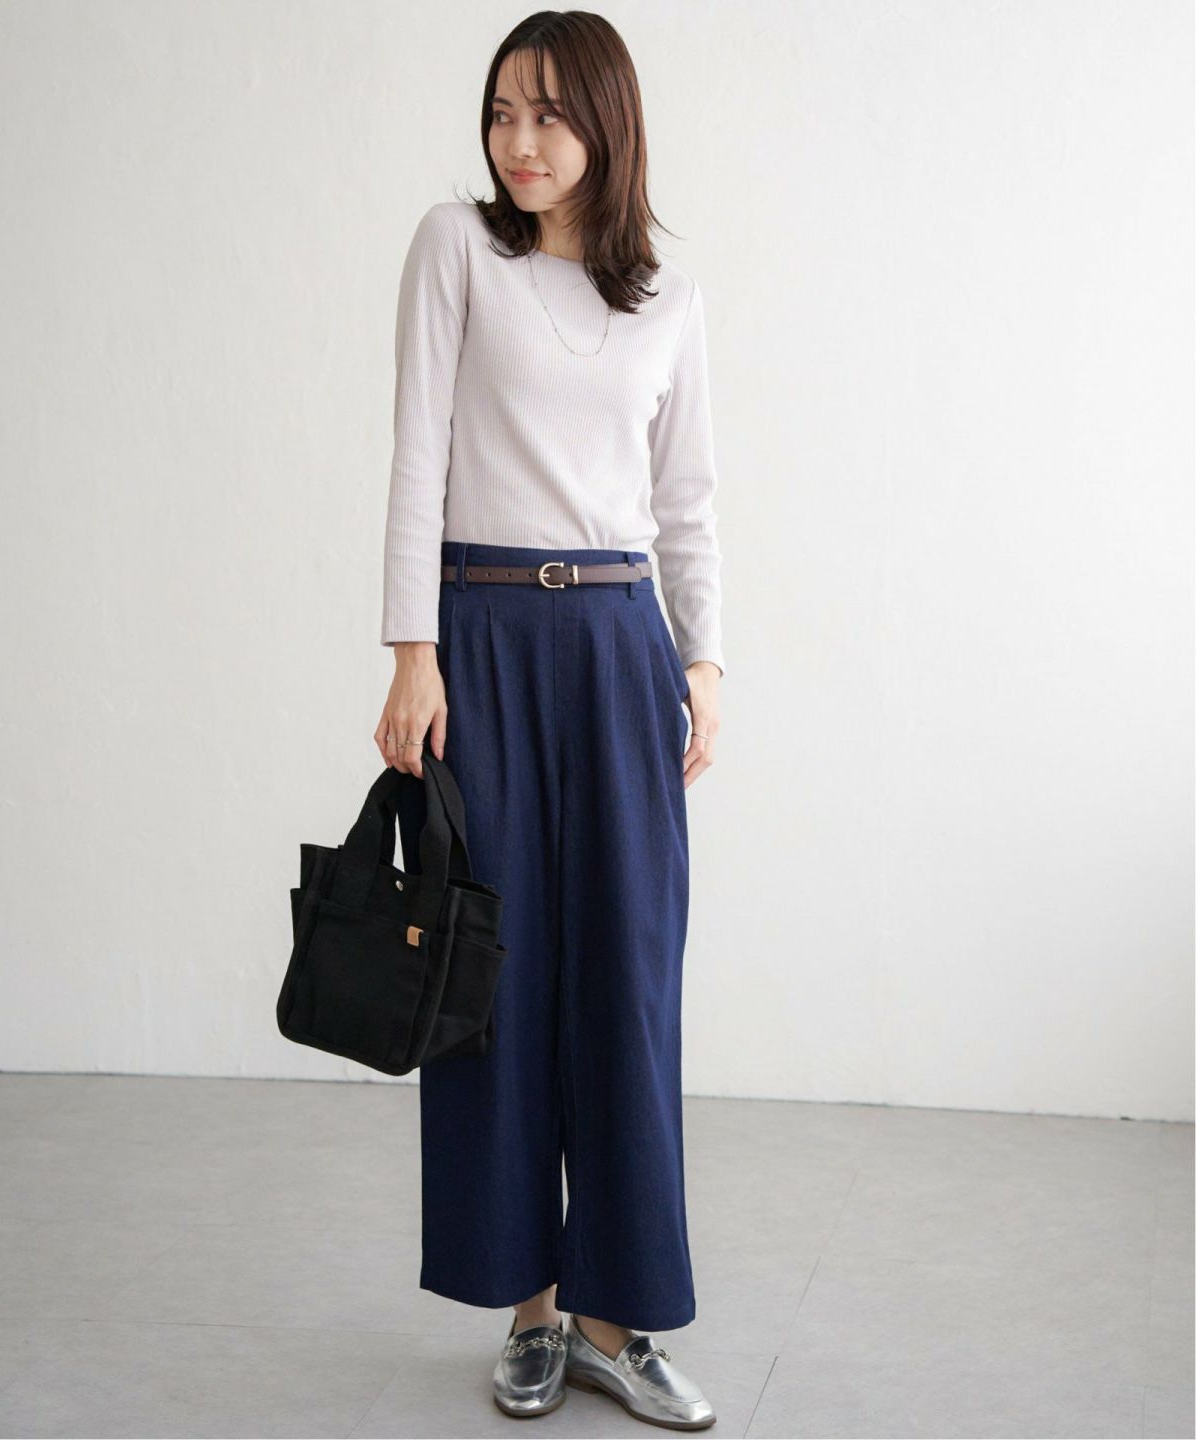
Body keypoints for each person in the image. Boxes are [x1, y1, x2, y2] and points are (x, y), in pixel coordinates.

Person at [374, 13, 723, 1431]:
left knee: (628, 982)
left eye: (548, 116)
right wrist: (412, 652)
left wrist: (705, 663)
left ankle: (615, 1323)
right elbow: (417, 452)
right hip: (484, 637)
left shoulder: (668, 297)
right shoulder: (458, 249)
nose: (518, 142)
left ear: (606, 125)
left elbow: (687, 499)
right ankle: (526, 1310)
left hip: (623, 646)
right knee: (495, 981)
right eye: (502, 111)